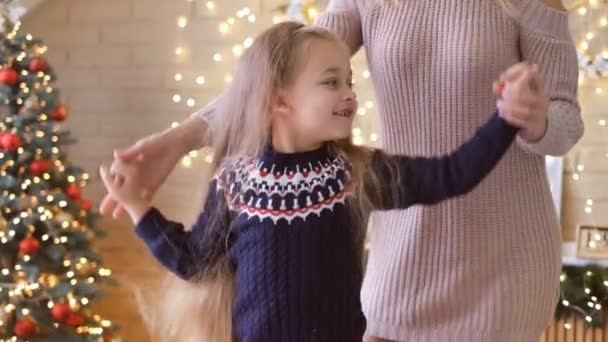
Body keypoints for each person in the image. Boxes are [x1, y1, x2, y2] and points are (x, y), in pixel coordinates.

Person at [101, 0, 583, 341]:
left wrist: (530, 115)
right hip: (401, 261)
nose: (345, 93)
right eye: (338, 84)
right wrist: (180, 138)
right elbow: (276, 75)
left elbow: (564, 122)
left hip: (499, 263)